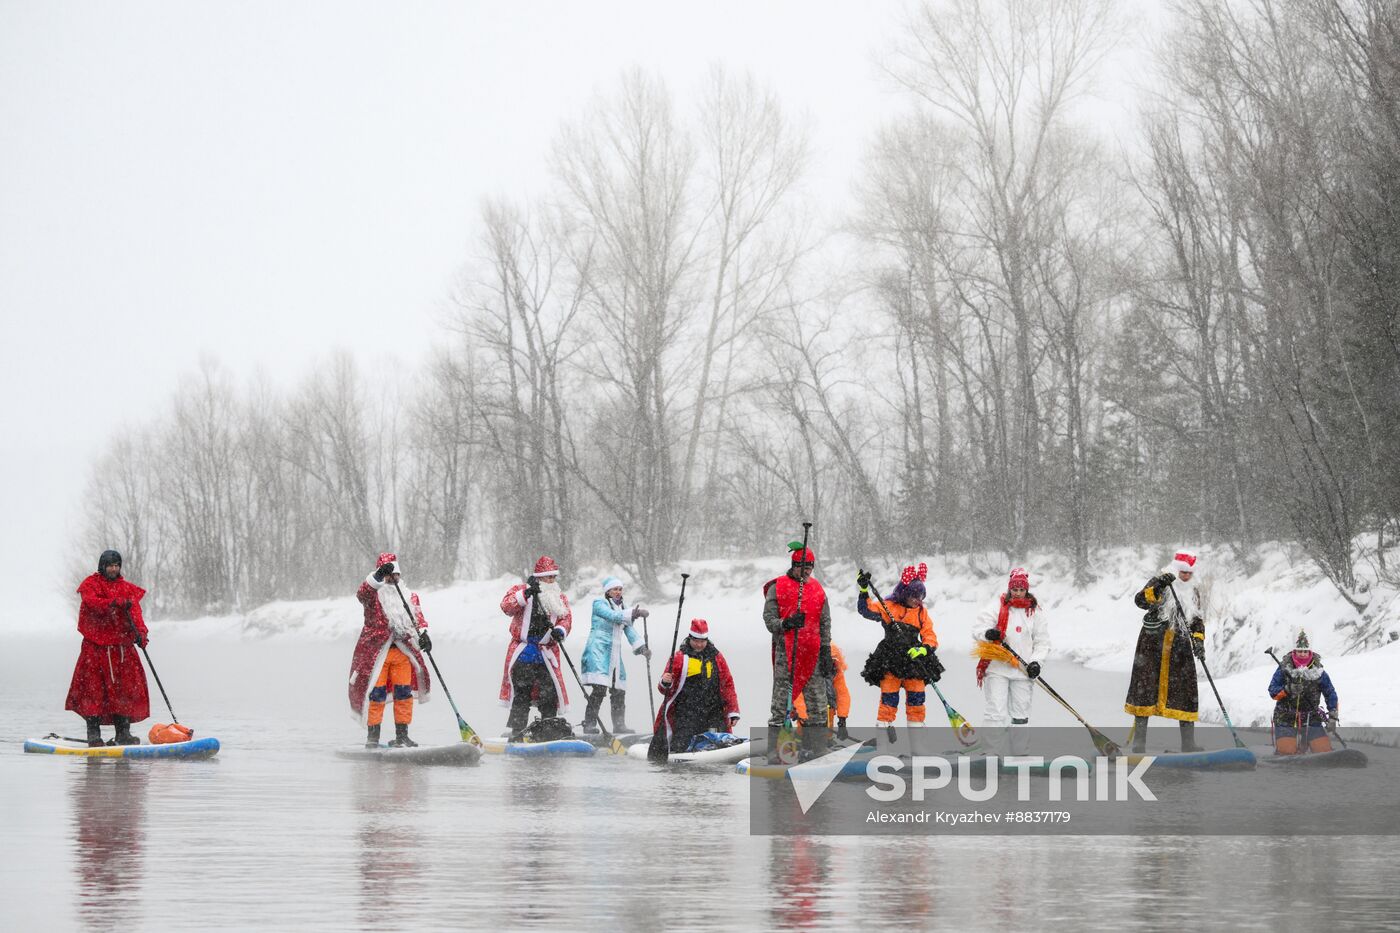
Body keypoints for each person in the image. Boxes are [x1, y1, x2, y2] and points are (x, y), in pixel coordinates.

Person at [65, 550, 151, 746]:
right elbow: (91, 602)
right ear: (102, 566)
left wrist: (141, 634)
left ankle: (123, 733)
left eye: (116, 565)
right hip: (95, 649)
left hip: (122, 649)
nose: (114, 569)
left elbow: (136, 613)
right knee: (93, 692)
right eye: (110, 565)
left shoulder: (126, 589)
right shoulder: (91, 585)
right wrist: (113, 603)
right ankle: (94, 735)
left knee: (125, 691)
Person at [349, 553, 433, 748]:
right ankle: (373, 738)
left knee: (403, 694)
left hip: (403, 653)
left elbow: (418, 619)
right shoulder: (373, 596)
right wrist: (378, 576)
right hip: (378, 653)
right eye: (387, 575)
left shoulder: (410, 596)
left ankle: (402, 736)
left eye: (395, 575)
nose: (392, 579)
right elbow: (362, 593)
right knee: (376, 695)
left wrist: (424, 634)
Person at [1125, 550, 1205, 753]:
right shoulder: (1160, 581)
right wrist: (1159, 584)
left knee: (1186, 691)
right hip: (1152, 644)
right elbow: (1140, 601)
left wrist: (1198, 641)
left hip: (1179, 646)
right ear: (1176, 570)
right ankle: (1139, 743)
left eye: (1189, 573)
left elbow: (1196, 618)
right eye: (1183, 573)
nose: (1186, 577)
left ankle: (1188, 743)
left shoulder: (1194, 590)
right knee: (1145, 688)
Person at [763, 542, 833, 758]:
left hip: (811, 653)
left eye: (810, 568)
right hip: (787, 653)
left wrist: (826, 650)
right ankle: (776, 750)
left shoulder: (817, 589)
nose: (807, 572)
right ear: (794, 566)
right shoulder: (778, 587)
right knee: (780, 703)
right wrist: (787, 623)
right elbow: (769, 620)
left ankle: (818, 749)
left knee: (818, 704)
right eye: (803, 568)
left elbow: (825, 622)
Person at [857, 563, 942, 737]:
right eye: (914, 595)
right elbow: (865, 610)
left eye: (921, 596)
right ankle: (884, 738)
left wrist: (925, 649)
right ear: (905, 593)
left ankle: (917, 743)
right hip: (890, 658)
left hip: (914, 660)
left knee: (917, 700)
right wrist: (863, 590)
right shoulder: (889, 606)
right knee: (889, 699)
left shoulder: (921, 612)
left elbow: (930, 635)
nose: (918, 600)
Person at [972, 567, 1049, 756]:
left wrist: (1036, 662)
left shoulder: (1035, 612)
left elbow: (1042, 642)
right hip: (997, 668)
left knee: (1020, 714)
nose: (1018, 593)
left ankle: (1020, 753)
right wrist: (988, 634)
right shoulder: (996, 606)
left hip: (1022, 671)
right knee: (996, 711)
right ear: (1009, 589)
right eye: (1014, 590)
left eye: (1021, 590)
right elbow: (978, 629)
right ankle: (991, 752)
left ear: (1026, 590)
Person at [499, 556, 573, 740]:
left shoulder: (559, 598)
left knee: (549, 693)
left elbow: (566, 618)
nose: (551, 581)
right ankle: (517, 730)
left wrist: (560, 631)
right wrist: (526, 594)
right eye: (547, 578)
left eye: (553, 578)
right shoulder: (522, 590)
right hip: (524, 652)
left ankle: (548, 728)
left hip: (546, 654)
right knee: (522, 692)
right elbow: (506, 606)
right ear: (539, 577)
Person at [653, 620, 740, 753]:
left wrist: (732, 711)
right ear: (690, 638)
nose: (699, 645)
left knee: (718, 740)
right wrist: (665, 682)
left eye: (702, 641)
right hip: (686, 712)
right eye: (696, 641)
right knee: (680, 745)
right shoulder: (679, 658)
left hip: (713, 711)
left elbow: (727, 684)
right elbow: (664, 690)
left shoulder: (717, 657)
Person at [580, 576, 651, 734]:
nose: (618, 592)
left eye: (620, 589)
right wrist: (635, 613)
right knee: (599, 688)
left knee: (619, 690)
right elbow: (612, 616)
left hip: (614, 655)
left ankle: (619, 725)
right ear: (608, 591)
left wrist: (642, 648)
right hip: (598, 650)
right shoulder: (599, 604)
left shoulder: (623, 608)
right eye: (615, 589)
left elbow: (629, 629)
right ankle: (590, 724)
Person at [1268, 630, 1339, 755]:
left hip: (1311, 717)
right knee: (1287, 753)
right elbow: (1272, 691)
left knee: (1323, 752)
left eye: (1305, 651)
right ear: (1294, 651)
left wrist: (1333, 716)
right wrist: (1288, 689)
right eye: (1299, 651)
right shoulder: (1283, 669)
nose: (1302, 654)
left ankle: (1304, 743)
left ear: (1310, 652)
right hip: (1285, 717)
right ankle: (1292, 746)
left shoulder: (1319, 671)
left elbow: (1330, 693)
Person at [794, 643, 852, 741]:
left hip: (827, 719)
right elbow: (798, 694)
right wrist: (802, 715)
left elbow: (843, 695)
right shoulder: (805, 672)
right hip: (807, 720)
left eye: (832, 660)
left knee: (825, 737)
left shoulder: (836, 673)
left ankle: (826, 742)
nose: (828, 663)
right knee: (804, 737)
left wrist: (842, 720)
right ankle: (802, 743)